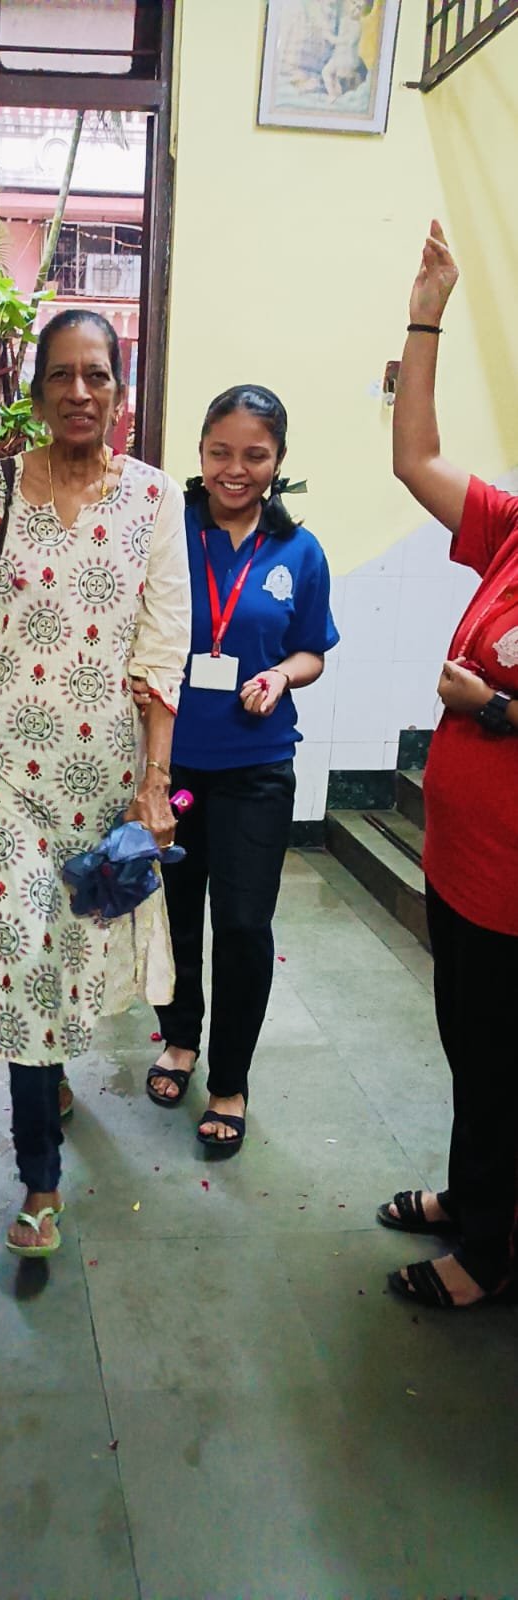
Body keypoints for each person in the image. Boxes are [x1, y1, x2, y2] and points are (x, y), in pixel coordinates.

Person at [0, 309, 190, 1258]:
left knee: (71, 951)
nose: (80, 391)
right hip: (9, 778)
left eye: (98, 375)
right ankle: (40, 1181)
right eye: (62, 376)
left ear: (119, 393)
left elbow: (164, 642)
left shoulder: (154, 499)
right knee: (26, 961)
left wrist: (154, 781)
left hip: (104, 782)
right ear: (36, 393)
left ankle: (50, 1066)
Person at [139, 385, 338, 1156]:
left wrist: (282, 675)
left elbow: (312, 649)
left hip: (256, 770)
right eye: (220, 451)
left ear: (278, 460)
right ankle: (179, 1039)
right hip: (175, 766)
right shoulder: (167, 531)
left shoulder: (299, 550)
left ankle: (230, 1080)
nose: (235, 469)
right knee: (176, 912)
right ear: (200, 452)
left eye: (255, 455)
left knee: (245, 925)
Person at [379, 220, 518, 1310]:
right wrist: (426, 315)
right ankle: (473, 1199)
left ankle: (490, 1257)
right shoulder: (515, 528)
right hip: (466, 866)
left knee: (505, 1068)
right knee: (474, 1051)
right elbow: (415, 458)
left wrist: (499, 709)